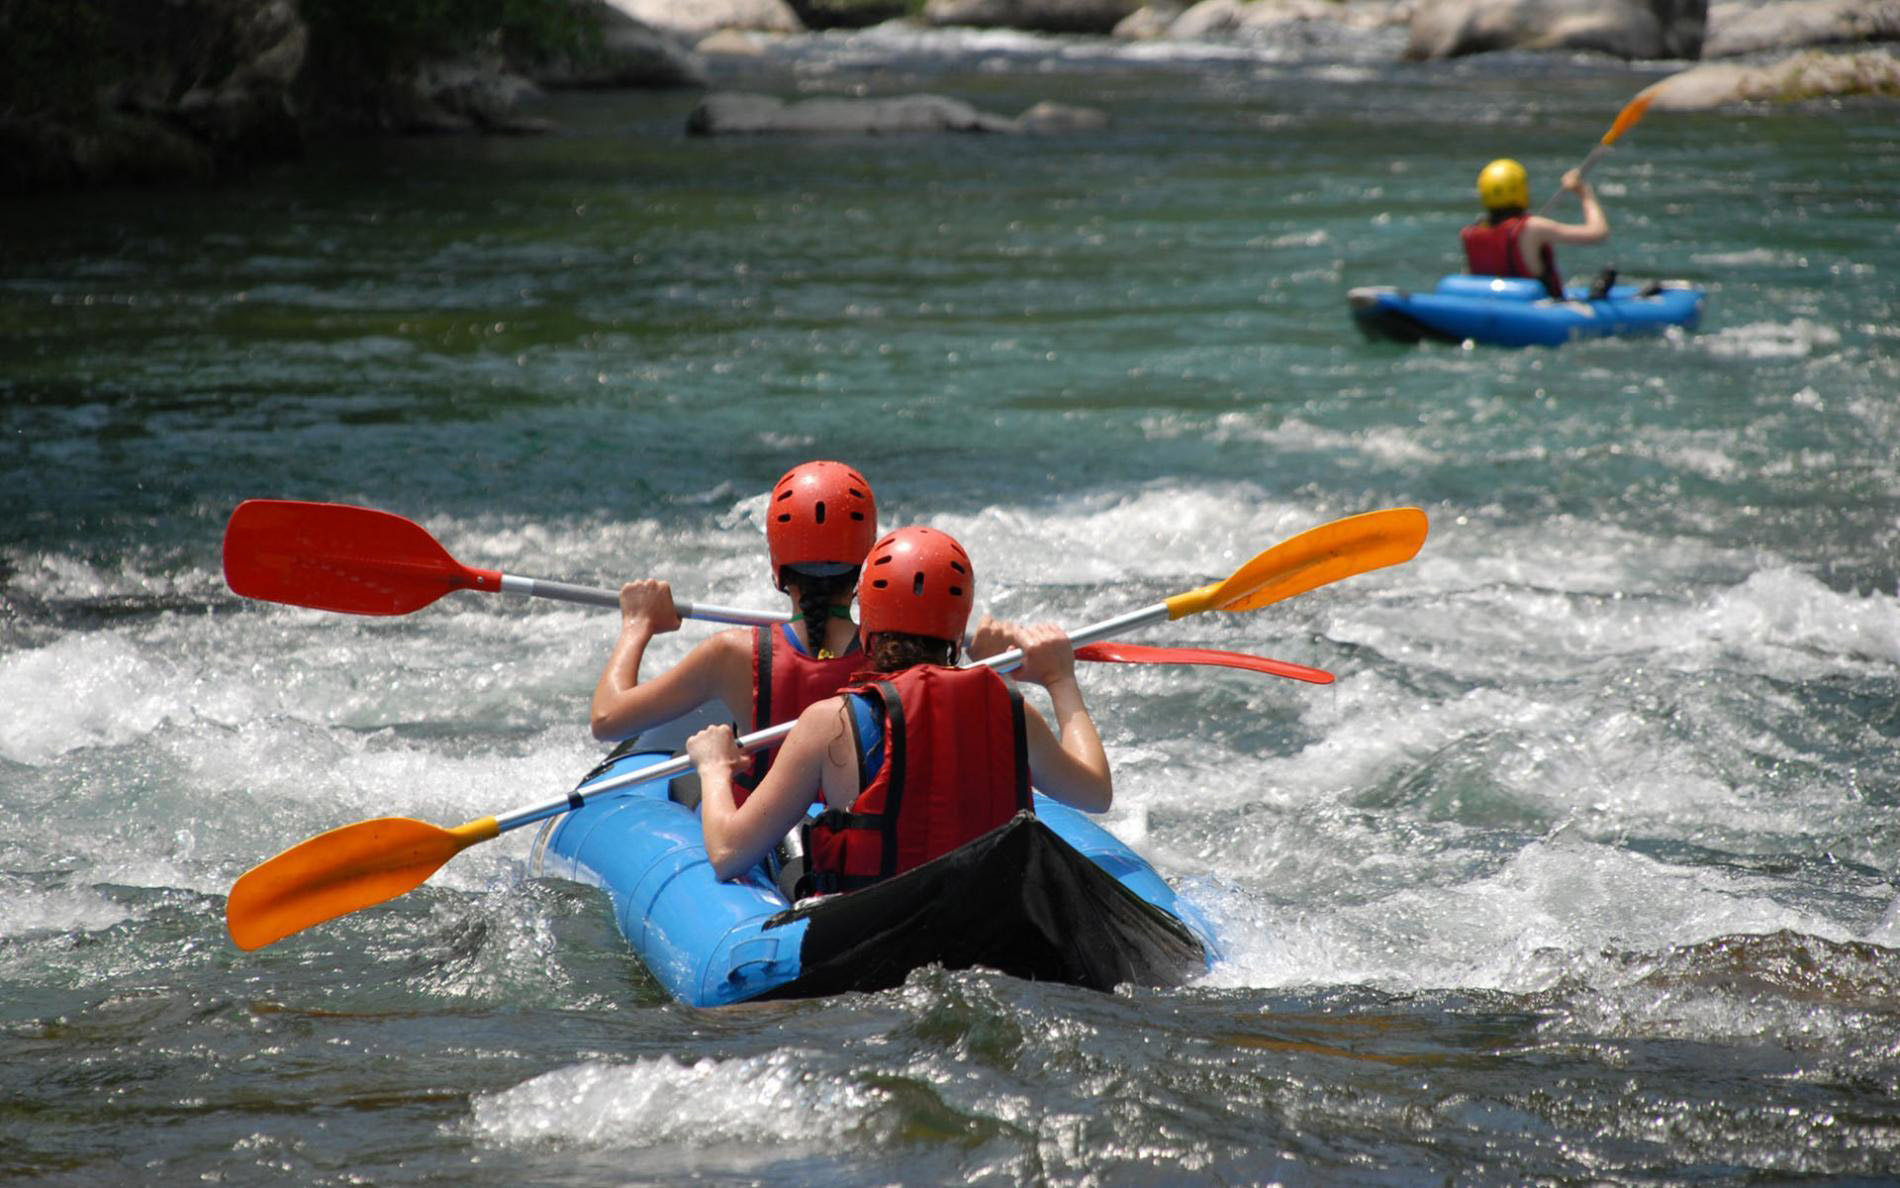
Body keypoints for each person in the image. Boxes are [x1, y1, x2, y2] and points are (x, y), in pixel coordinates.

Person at [684, 525, 1112, 890]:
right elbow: (1095, 792)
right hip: (992, 922)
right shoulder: (1009, 706)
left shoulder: (829, 722)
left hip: (875, 935)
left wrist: (713, 769)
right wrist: (1061, 680)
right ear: (957, 626)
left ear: (866, 619)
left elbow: (728, 854)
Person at [590, 460, 877, 803]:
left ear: (778, 565)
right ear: (866, 563)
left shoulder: (731, 655)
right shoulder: (892, 655)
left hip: (752, 834)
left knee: (684, 786)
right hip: (855, 832)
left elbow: (607, 720)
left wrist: (637, 624)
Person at [1460, 158, 1609, 299]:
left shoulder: (1471, 232)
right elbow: (1598, 233)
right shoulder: (1532, 227)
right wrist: (1585, 193)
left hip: (1491, 305)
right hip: (1537, 309)